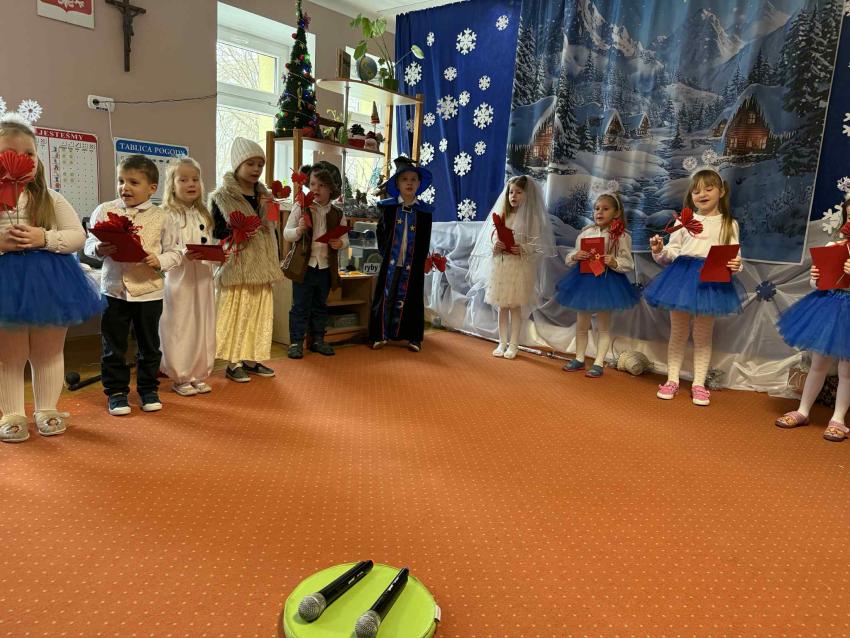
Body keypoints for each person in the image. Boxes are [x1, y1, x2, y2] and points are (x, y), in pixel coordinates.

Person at [0, 113, 104, 442]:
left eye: (29, 153)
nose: (22, 159)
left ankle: (47, 408)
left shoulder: (50, 197)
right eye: (10, 153)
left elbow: (77, 236)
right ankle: (12, 413)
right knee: (9, 355)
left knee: (48, 351)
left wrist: (43, 238)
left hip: (50, 281)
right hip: (6, 284)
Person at [84, 155, 181, 416]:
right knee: (113, 344)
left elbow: (176, 252)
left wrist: (159, 260)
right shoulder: (105, 210)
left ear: (152, 188)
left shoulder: (163, 217)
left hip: (149, 292)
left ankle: (148, 389)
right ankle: (116, 392)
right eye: (121, 181)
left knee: (149, 345)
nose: (124, 187)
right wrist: (98, 248)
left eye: (133, 182)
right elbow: (88, 244)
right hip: (114, 290)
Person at [645, 167, 744, 406]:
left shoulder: (729, 223)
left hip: (710, 281)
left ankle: (698, 384)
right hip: (681, 279)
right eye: (696, 191)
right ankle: (672, 380)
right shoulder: (683, 221)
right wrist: (659, 250)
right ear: (691, 195)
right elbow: (671, 253)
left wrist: (736, 264)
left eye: (708, 189)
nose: (702, 195)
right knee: (678, 332)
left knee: (703, 335)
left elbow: (734, 256)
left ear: (721, 191)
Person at [775, 197, 850, 441]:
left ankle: (838, 418)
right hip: (830, 306)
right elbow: (817, 283)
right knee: (818, 363)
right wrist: (816, 277)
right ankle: (803, 410)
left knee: (847, 369)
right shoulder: (834, 245)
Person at [211, 137, 283, 382]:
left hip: (263, 264)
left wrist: (267, 211)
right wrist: (238, 232)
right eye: (250, 163)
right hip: (238, 264)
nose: (256, 169)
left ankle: (253, 359)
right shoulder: (221, 197)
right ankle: (234, 363)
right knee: (236, 315)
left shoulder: (266, 196)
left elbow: (272, 228)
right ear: (238, 165)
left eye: (260, 165)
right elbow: (216, 231)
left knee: (259, 314)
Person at [468, 175, 555, 359]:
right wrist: (495, 246)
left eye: (518, 192)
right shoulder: (503, 216)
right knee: (502, 306)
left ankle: (513, 344)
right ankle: (502, 342)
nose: (513, 196)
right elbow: (493, 237)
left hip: (519, 267)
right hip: (502, 265)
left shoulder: (532, 218)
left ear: (527, 194)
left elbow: (537, 245)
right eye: (511, 192)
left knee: (515, 307)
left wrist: (522, 248)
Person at [554, 191, 639, 376]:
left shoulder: (621, 236)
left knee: (603, 326)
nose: (599, 212)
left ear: (616, 213)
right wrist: (575, 256)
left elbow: (628, 263)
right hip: (584, 281)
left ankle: (599, 362)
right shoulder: (586, 233)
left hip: (607, 282)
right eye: (596, 208)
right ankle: (579, 358)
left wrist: (613, 261)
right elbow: (572, 256)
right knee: (581, 323)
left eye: (605, 209)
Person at [159, 158, 216, 396]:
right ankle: (180, 374)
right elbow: (163, 251)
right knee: (179, 326)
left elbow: (208, 243)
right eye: (183, 180)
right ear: (172, 185)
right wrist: (182, 255)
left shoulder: (204, 214)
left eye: (195, 179)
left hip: (202, 277)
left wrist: (218, 253)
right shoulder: (166, 215)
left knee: (202, 324)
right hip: (178, 280)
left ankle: (198, 372)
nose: (191, 184)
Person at [283, 162, 348, 358]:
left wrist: (340, 243)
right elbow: (287, 233)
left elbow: (345, 239)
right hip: (304, 267)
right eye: (312, 184)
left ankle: (318, 340)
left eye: (321, 185)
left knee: (320, 306)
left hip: (325, 268)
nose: (316, 189)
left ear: (331, 189)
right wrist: (299, 230)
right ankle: (296, 342)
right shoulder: (301, 207)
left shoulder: (338, 213)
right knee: (300, 306)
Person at [368, 162, 433, 352]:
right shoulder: (388, 208)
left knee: (412, 297)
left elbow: (425, 239)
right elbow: (381, 233)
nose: (409, 183)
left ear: (419, 183)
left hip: (413, 262)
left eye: (413, 179)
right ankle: (380, 334)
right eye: (404, 179)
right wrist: (386, 253)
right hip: (391, 261)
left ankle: (413, 337)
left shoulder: (424, 211)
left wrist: (420, 260)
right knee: (386, 296)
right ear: (397, 184)